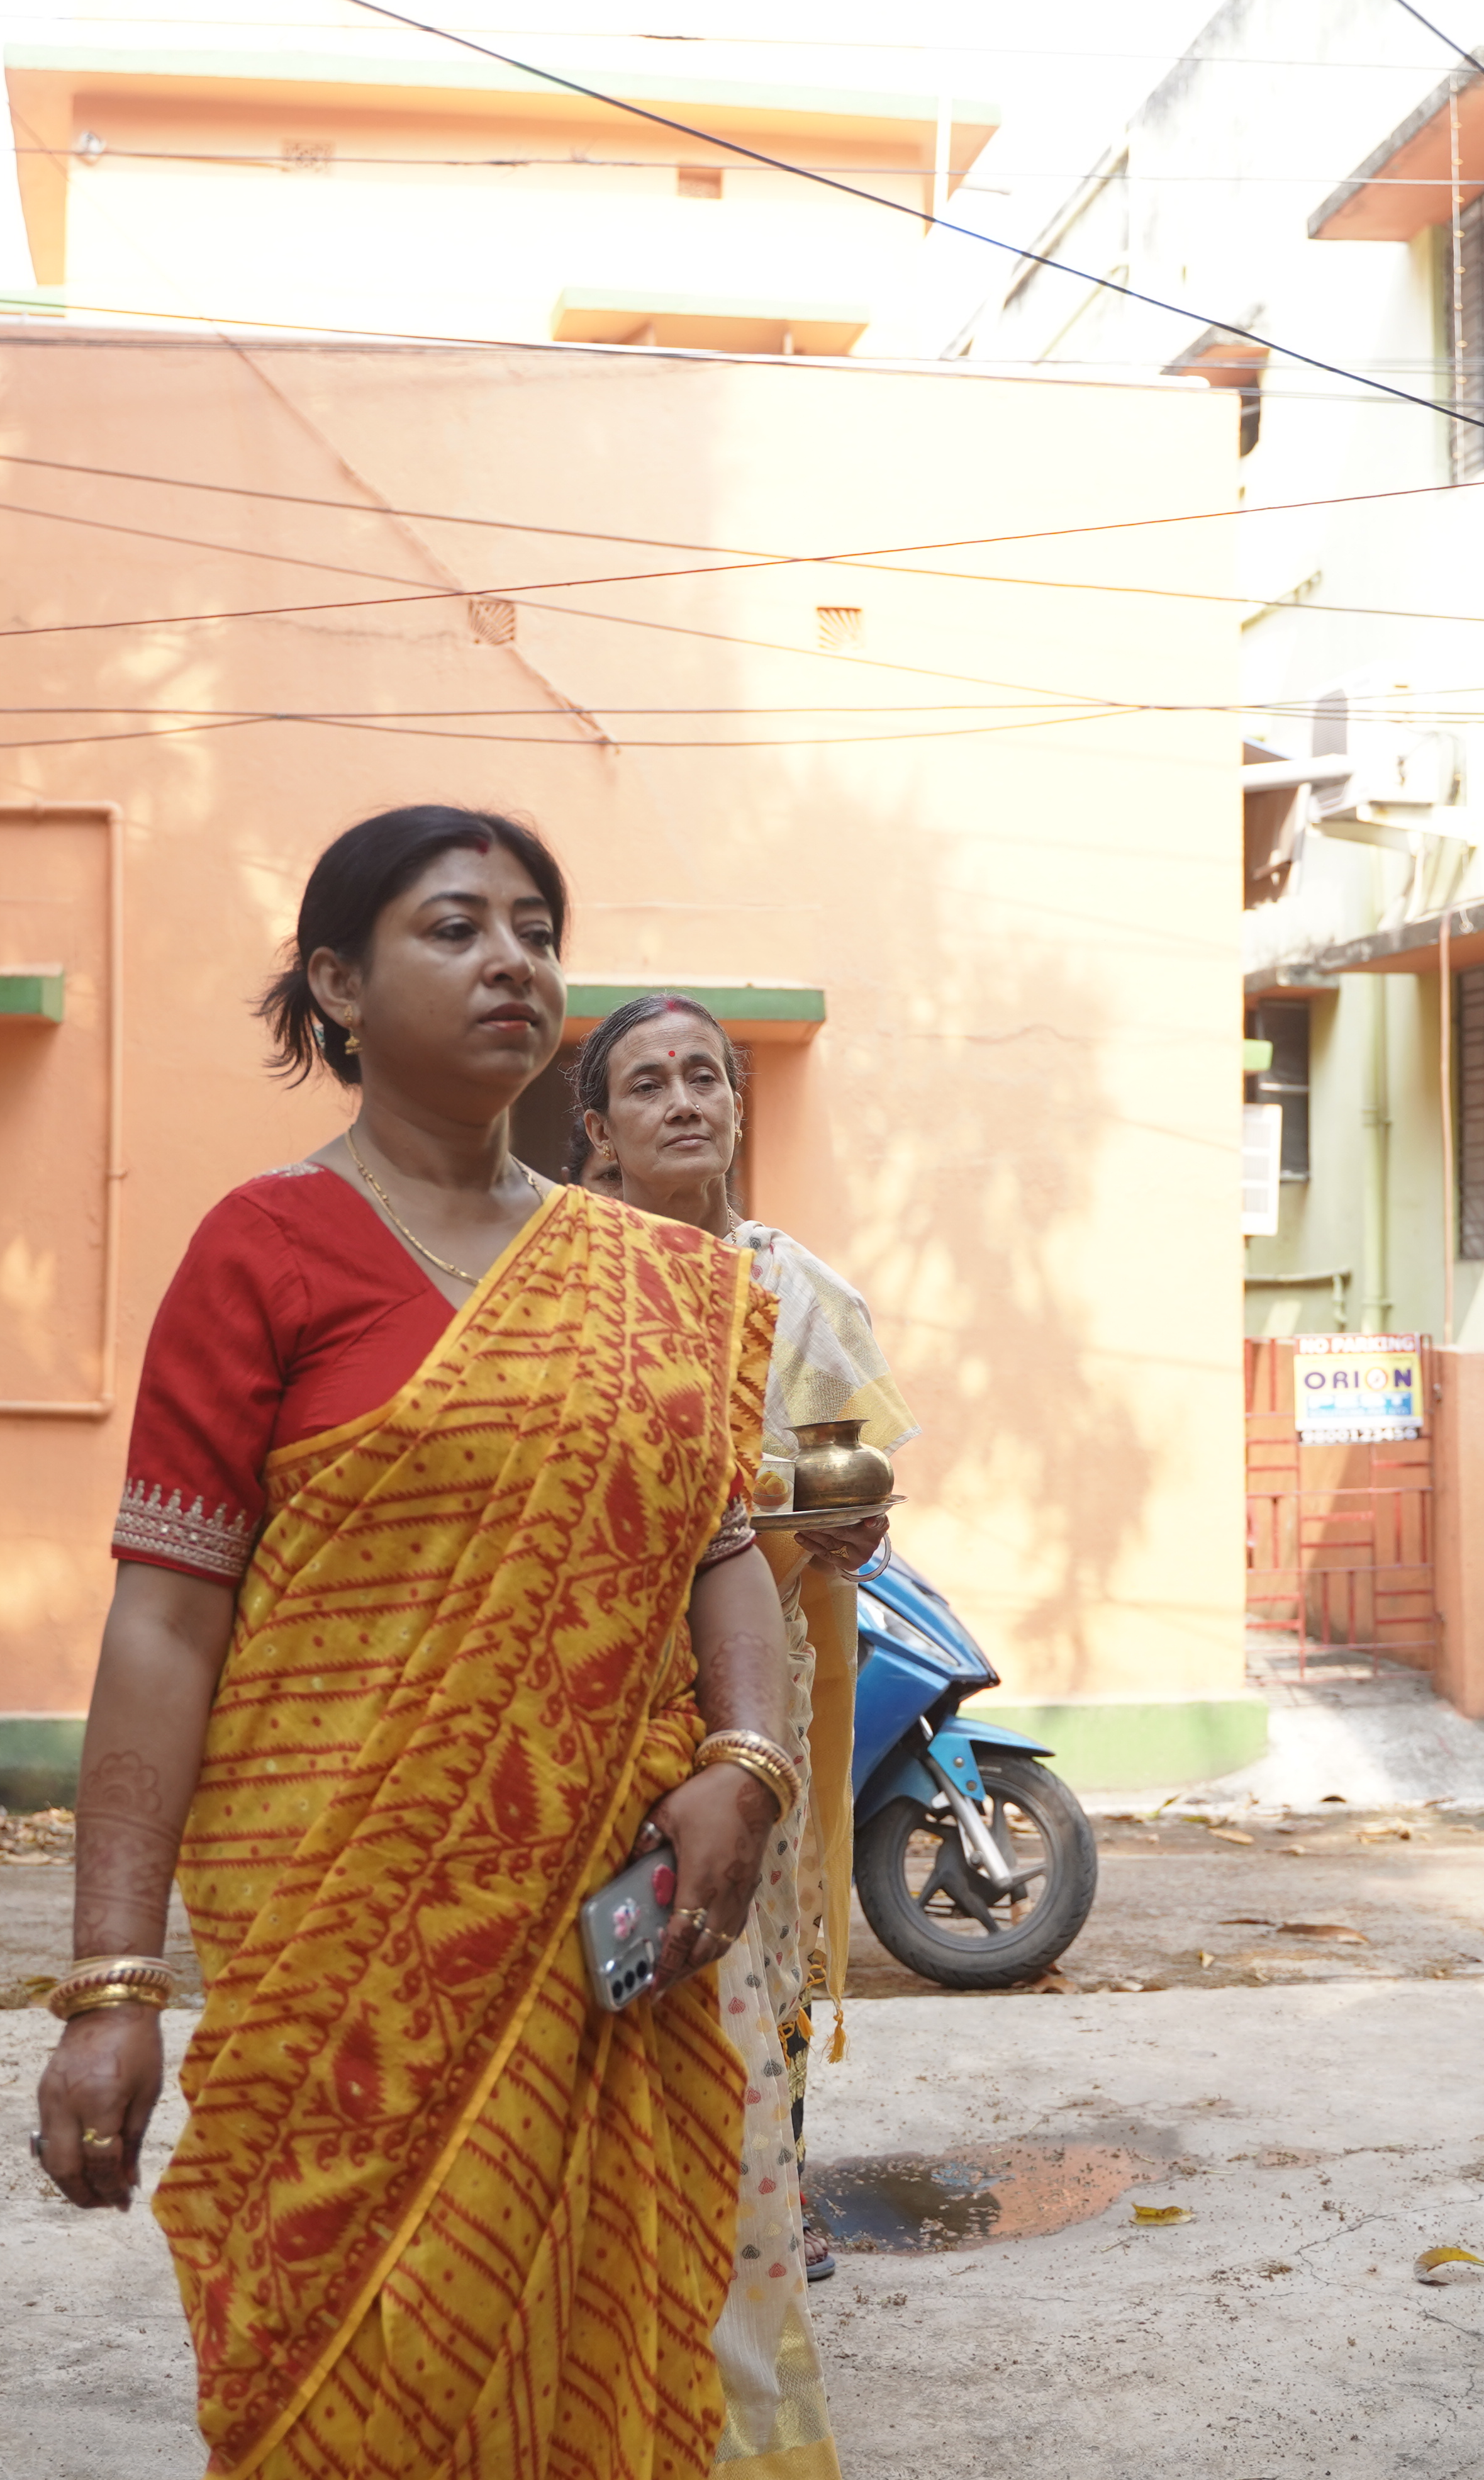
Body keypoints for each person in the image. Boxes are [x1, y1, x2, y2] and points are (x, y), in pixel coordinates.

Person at [34, 809, 798, 2480]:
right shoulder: (264, 1251)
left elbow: (719, 1545)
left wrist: (747, 1765)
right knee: (351, 2380)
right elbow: (164, 1619)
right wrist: (111, 1983)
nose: (511, 958)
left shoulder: (648, 1281)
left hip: (619, 1954)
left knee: (620, 2366)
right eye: (454, 928)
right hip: (346, 1961)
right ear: (337, 986)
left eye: (536, 926)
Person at [571, 992, 920, 2480]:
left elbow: (849, 1507)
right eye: (644, 1082)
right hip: (584, 1702)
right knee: (600, 1984)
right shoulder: (557, 1285)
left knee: (744, 1994)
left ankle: (734, 2320)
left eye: (704, 1074)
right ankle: (601, 2312)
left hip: (755, 1701)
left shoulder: (800, 1290)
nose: (682, 1100)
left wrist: (839, 1525)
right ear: (595, 1130)